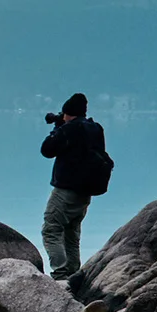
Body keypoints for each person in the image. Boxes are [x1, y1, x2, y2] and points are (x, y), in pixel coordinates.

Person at [39, 92, 111, 281]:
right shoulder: (95, 128)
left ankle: (60, 275)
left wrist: (58, 129)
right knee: (72, 232)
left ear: (67, 113)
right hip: (85, 192)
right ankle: (73, 274)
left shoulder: (69, 129)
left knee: (51, 229)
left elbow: (47, 150)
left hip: (65, 190)